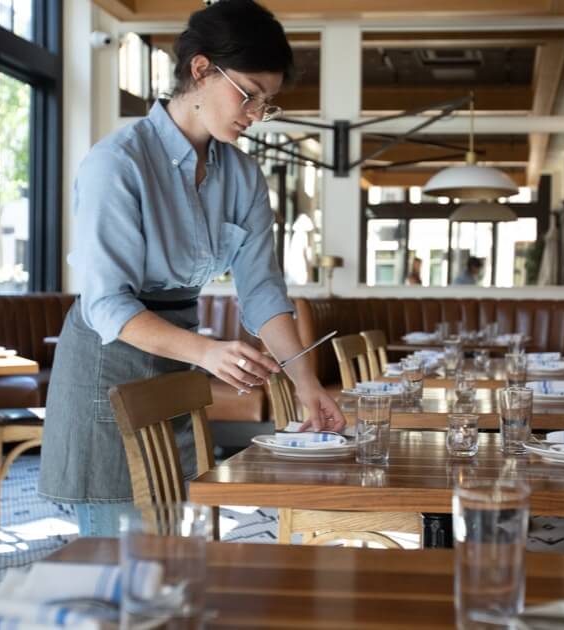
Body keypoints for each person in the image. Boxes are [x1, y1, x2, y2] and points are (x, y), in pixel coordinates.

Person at [38, 0, 344, 537]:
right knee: (123, 554)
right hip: (107, 361)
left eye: (266, 103)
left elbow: (263, 291)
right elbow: (107, 302)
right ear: (200, 70)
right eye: (248, 94)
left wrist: (306, 383)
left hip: (176, 358)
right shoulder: (120, 163)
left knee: (174, 545)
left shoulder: (243, 176)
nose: (254, 114)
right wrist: (207, 350)